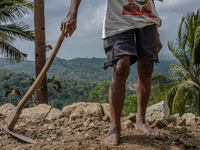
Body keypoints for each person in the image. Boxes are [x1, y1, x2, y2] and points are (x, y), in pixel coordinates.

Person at [61, 0, 163, 146]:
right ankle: (114, 127)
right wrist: (72, 14)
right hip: (118, 19)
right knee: (120, 68)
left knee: (147, 68)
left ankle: (141, 121)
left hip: (146, 19)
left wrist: (155, 27)